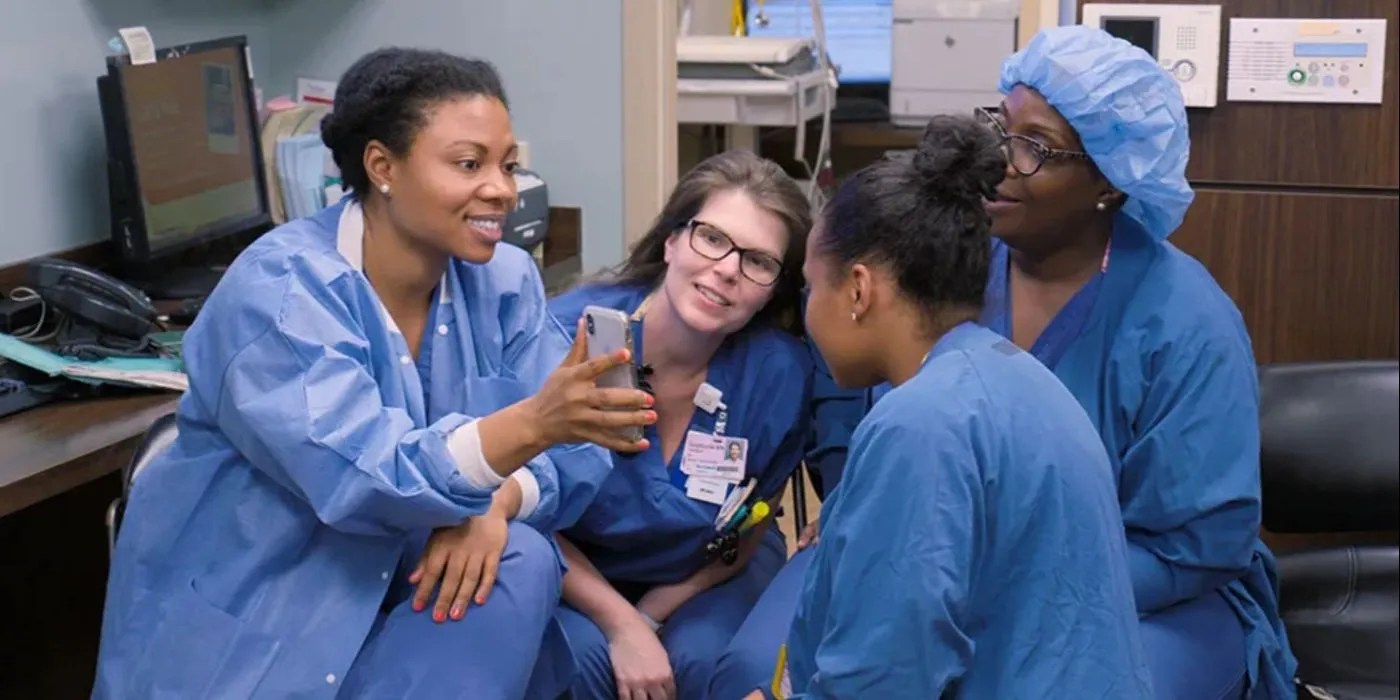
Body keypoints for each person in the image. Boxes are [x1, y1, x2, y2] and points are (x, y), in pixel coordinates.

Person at [717, 25, 1299, 700]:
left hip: (1132, 590)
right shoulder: (952, 265)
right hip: (925, 552)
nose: (999, 162)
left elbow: (1199, 544)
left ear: (1110, 178)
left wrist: (983, 585)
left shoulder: (1186, 322)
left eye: (1036, 148)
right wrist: (868, 512)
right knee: (756, 669)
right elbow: (877, 400)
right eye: (1002, 128)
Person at [93, 48, 654, 700]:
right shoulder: (281, 291)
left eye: (508, 164)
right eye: (469, 164)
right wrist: (531, 426)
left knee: (547, 601)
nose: (502, 188)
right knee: (524, 575)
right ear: (382, 166)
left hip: (398, 583)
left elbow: (585, 448)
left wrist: (500, 497)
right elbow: (371, 477)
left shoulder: (501, 280)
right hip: (273, 606)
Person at [759, 114, 1151, 698]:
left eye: (813, 287)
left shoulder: (921, 425)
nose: (809, 312)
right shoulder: (1010, 379)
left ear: (860, 290)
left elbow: (885, 678)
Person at [543, 149, 814, 700]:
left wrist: (654, 613)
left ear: (773, 291)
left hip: (708, 571)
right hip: (574, 572)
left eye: (758, 262)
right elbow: (524, 514)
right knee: (589, 666)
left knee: (705, 664)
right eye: (712, 238)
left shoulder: (779, 373)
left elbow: (753, 518)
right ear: (671, 241)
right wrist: (621, 624)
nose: (728, 270)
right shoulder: (569, 339)